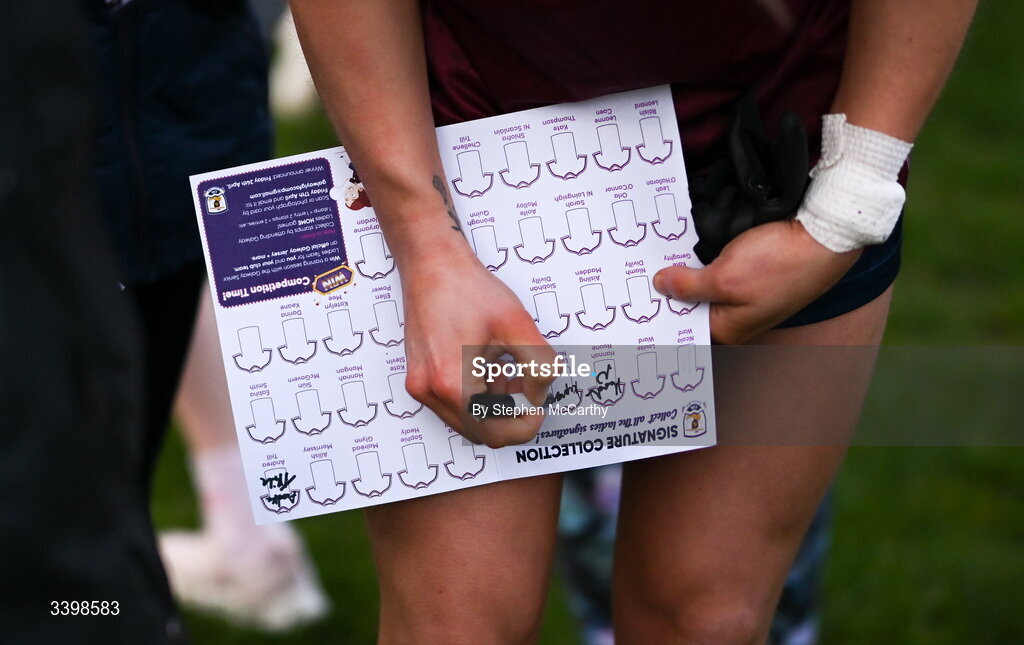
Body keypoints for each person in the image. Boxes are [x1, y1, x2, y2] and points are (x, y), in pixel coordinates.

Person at [290, 1, 978, 642]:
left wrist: (846, 207)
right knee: (459, 619)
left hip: (782, 147)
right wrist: (424, 243)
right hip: (476, 154)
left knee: (706, 617)